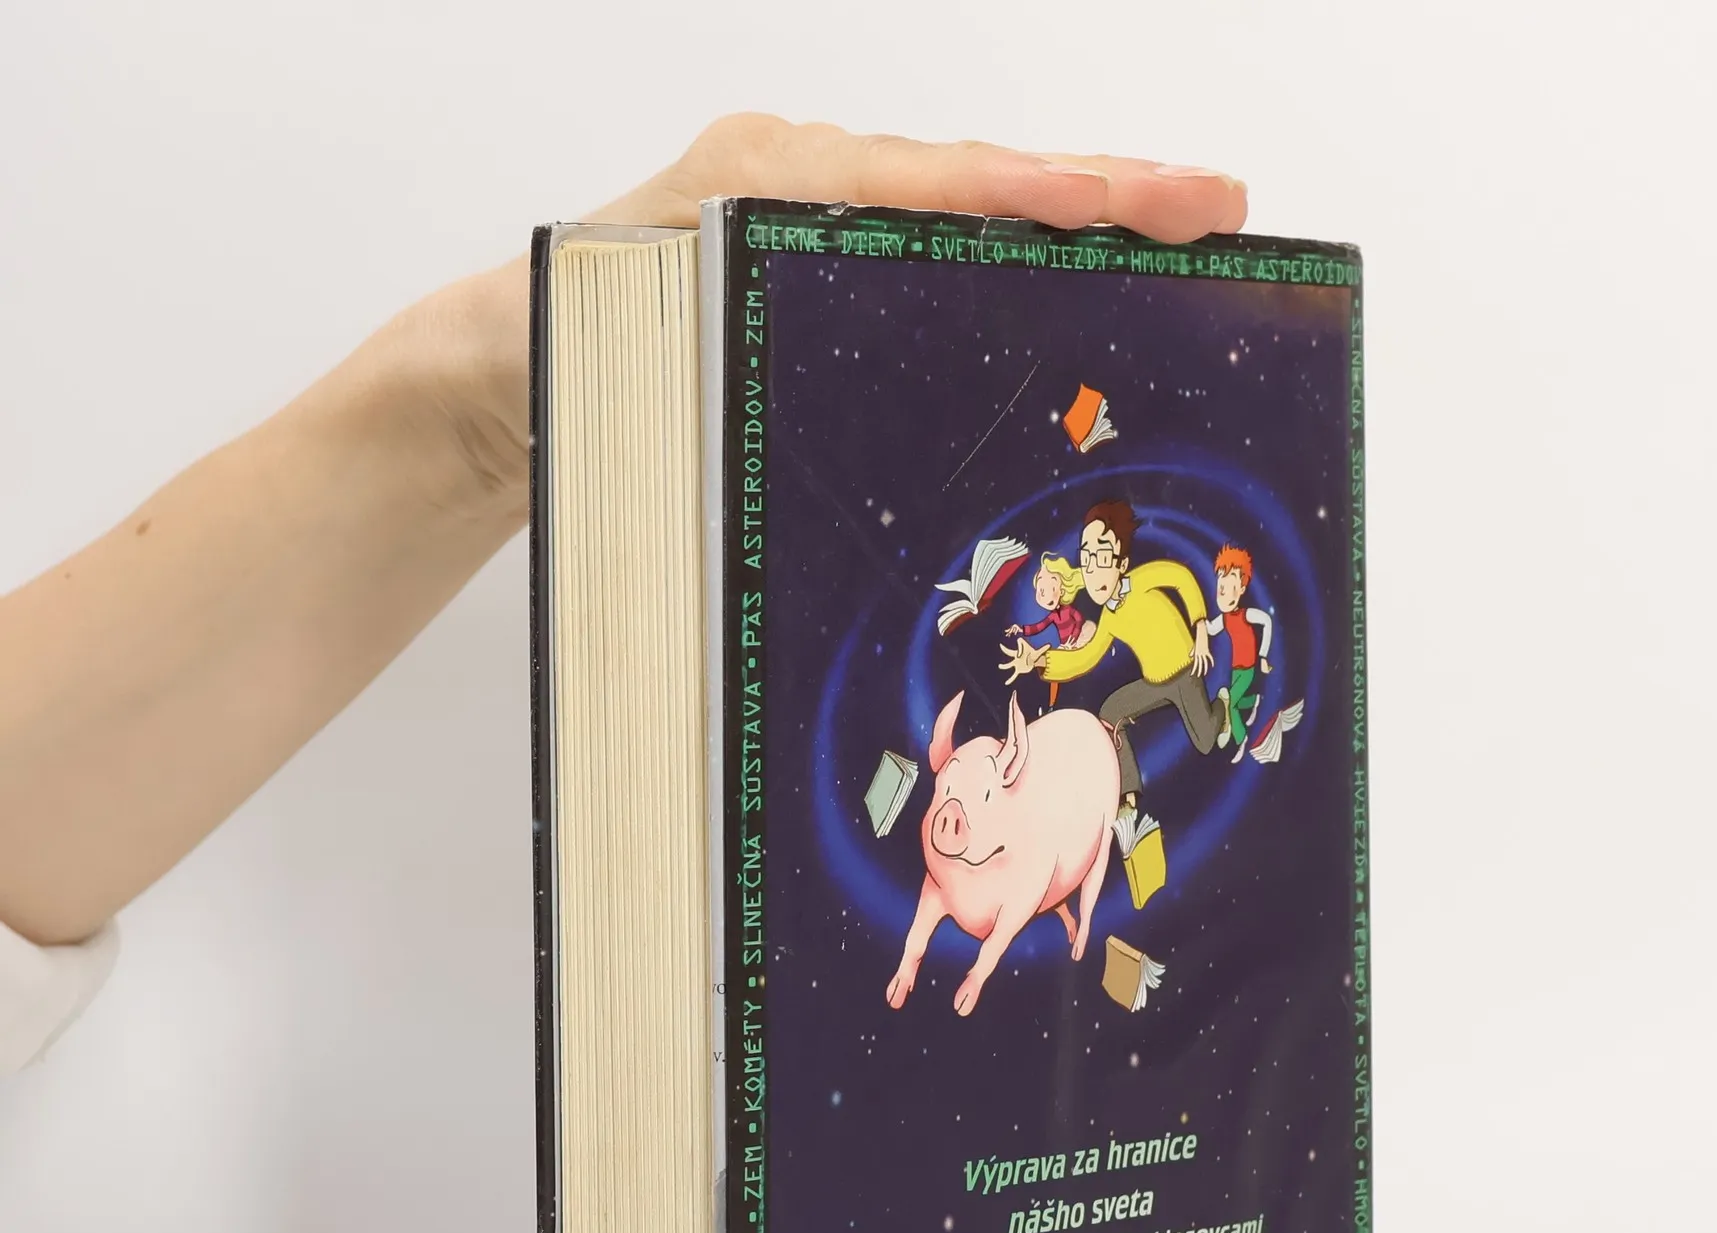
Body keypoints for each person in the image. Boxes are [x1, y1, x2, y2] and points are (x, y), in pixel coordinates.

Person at [0, 116, 1247, 1075]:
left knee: (1151, 724)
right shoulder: (1048, 632)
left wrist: (462, 425)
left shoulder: (1131, 609)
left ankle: (1204, 723)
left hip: (1118, 700)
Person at [1002, 497, 1227, 812]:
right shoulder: (1108, 618)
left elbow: (1181, 578)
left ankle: (1221, 707)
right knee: (1111, 710)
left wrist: (1200, 630)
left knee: (1204, 741)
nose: (1093, 569)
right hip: (1154, 682)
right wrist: (1038, 659)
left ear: (1121, 563)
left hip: (1187, 671)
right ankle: (1128, 792)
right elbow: (1086, 656)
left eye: (1103, 557)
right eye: (1087, 558)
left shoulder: (1140, 580)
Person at [1204, 543, 1274, 762]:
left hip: (1248, 668)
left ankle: (1241, 739)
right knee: (1239, 699)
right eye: (1221, 586)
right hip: (1236, 668)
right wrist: (1198, 624)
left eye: (1231, 585)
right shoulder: (1224, 619)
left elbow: (1267, 621)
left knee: (1231, 703)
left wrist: (1262, 656)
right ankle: (1254, 701)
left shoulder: (1245, 614)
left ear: (1242, 589)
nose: (1224, 591)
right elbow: (1211, 629)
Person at [1003, 551, 1092, 705]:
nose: (1042, 593)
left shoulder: (1068, 610)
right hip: (1066, 647)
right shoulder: (1053, 616)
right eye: (1040, 590)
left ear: (1062, 590)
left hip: (1078, 640)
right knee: (1054, 673)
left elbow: (1079, 620)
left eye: (1049, 585)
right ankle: (1052, 704)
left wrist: (1075, 636)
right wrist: (1021, 629)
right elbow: (1038, 627)